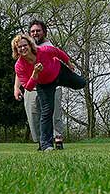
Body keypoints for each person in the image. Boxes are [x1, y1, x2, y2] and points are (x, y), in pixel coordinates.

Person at [11, 34, 85, 151]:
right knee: (47, 112)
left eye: (25, 45)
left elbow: (58, 52)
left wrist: (69, 63)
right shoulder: (19, 66)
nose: (23, 48)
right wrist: (35, 73)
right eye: (19, 47)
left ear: (30, 46)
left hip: (59, 72)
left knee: (81, 83)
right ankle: (46, 145)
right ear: (16, 50)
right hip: (45, 85)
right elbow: (28, 87)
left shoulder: (43, 50)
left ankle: (67, 81)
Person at [13, 20, 65, 150]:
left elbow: (58, 66)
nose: (35, 33)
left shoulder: (49, 47)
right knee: (33, 114)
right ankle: (42, 143)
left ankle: (57, 140)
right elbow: (20, 71)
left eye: (38, 31)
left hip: (51, 85)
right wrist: (16, 87)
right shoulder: (25, 48)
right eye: (32, 31)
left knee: (54, 114)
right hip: (32, 87)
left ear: (44, 32)